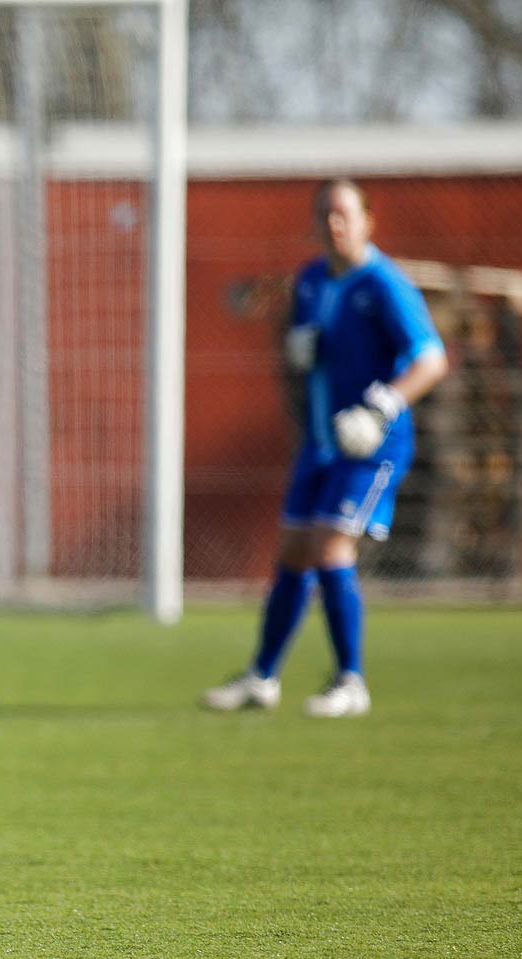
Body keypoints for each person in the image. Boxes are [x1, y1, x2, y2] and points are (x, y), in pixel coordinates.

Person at [203, 179, 447, 717]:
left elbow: (431, 361)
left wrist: (381, 407)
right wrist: (305, 351)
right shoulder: (312, 280)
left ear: (367, 221)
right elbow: (318, 355)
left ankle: (350, 681)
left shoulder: (386, 284)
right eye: (323, 214)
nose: (333, 224)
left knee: (332, 547)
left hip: (372, 445)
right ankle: (262, 678)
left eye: (343, 213)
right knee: (293, 550)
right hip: (321, 445)